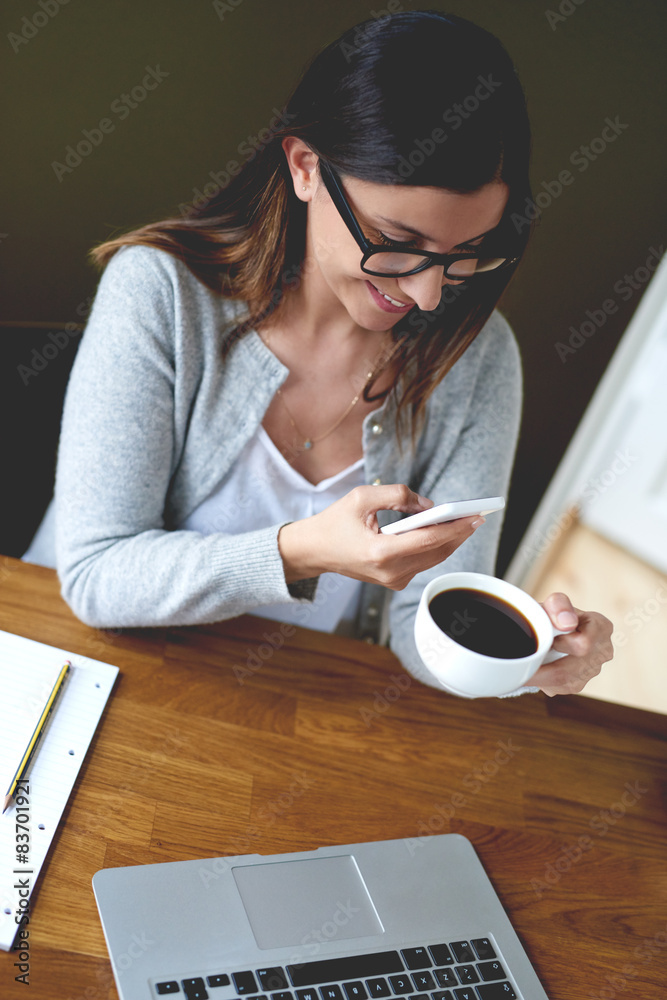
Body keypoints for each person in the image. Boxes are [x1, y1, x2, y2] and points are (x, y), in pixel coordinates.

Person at [25, 10, 612, 695]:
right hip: (76, 665)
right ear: (305, 167)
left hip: (294, 703)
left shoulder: (478, 362)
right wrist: (300, 551)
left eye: (466, 255)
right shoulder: (162, 293)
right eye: (395, 242)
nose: (427, 295)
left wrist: (522, 655)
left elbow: (414, 629)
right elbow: (97, 579)